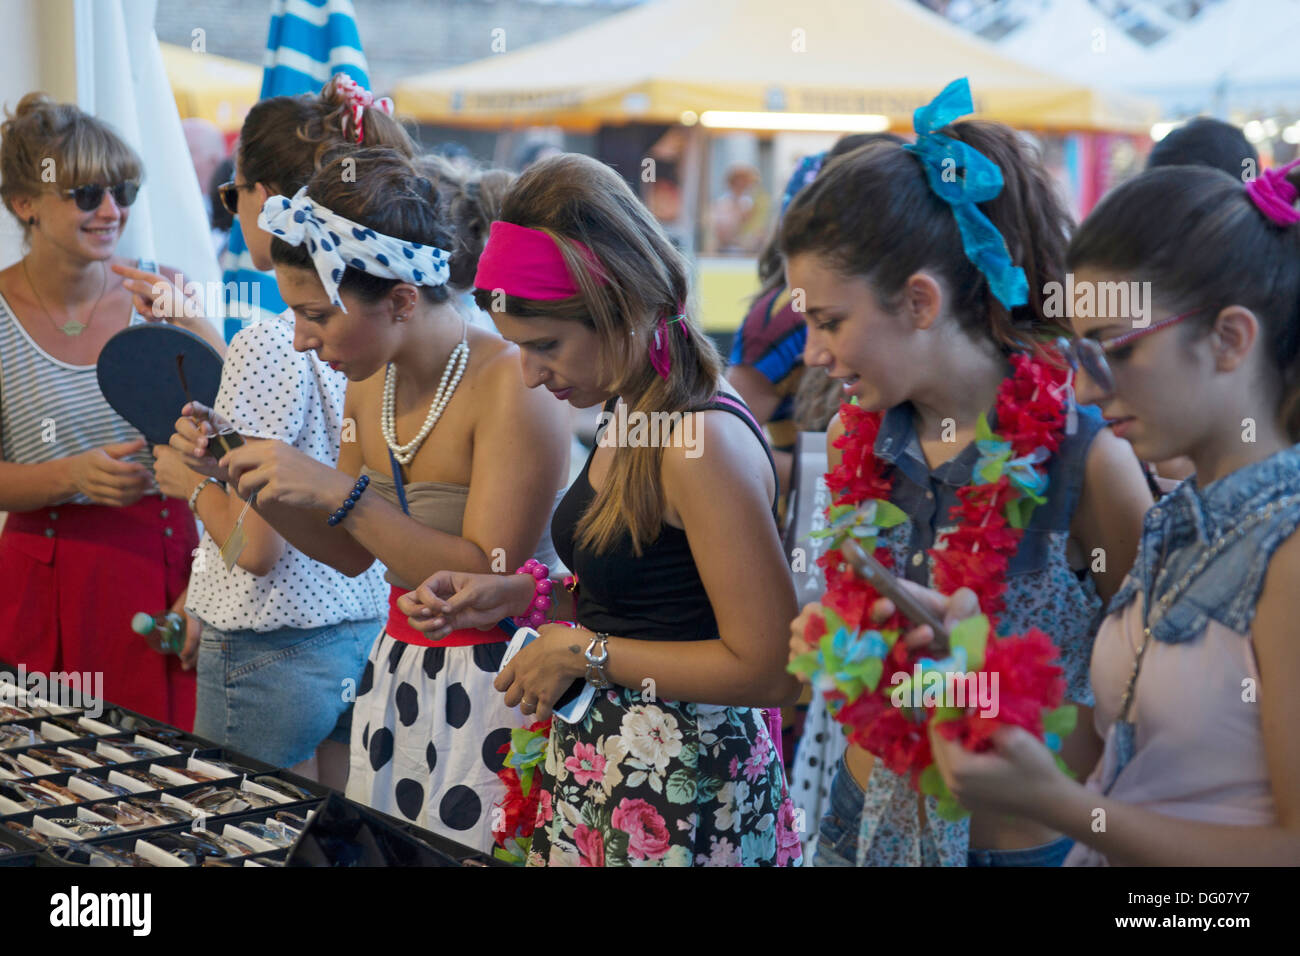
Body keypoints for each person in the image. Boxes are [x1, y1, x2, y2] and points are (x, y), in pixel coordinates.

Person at [397, 153, 804, 867]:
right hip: (622, 785)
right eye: (521, 348)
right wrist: (528, 592)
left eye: (546, 346)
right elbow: (661, 590)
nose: (530, 373)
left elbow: (771, 666)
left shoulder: (695, 440)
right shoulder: (631, 403)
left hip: (687, 802)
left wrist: (582, 652)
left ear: (620, 306)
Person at [782, 82, 1152, 866]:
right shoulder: (859, 432)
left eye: (828, 321)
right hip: (861, 822)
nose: (812, 353)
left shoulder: (1091, 460)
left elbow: (1148, 690)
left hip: (1019, 850)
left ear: (919, 301)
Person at [174, 148, 571, 851]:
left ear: (401, 300)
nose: (300, 338)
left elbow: (483, 569)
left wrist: (338, 491)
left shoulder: (511, 381)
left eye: (316, 315)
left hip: (500, 686)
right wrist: (240, 472)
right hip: (396, 675)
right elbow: (353, 554)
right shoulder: (372, 381)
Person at [924, 161, 1300, 866]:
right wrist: (966, 648)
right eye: (1079, 351)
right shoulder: (1175, 519)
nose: (1090, 389)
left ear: (1230, 338)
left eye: (1119, 347)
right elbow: (1131, 761)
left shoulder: (1289, 549)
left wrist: (1063, 808)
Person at [154, 77, 411, 790]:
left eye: (230, 193)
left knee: (243, 837)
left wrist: (192, 484)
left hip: (267, 650)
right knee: (331, 837)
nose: (233, 211)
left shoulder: (271, 343)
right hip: (359, 636)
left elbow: (256, 547)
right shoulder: (384, 335)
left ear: (264, 198)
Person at [0, 93, 222, 727]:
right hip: (42, 577)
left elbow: (241, 436)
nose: (112, 209)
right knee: (40, 787)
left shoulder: (163, 291)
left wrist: (207, 584)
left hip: (163, 567)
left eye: (124, 190)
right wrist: (72, 476)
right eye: (87, 192)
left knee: (165, 787)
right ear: (25, 204)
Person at [728, 134, 907, 511]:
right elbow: (726, 440)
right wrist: (821, 469)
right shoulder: (778, 319)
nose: (814, 353)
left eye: (828, 322)